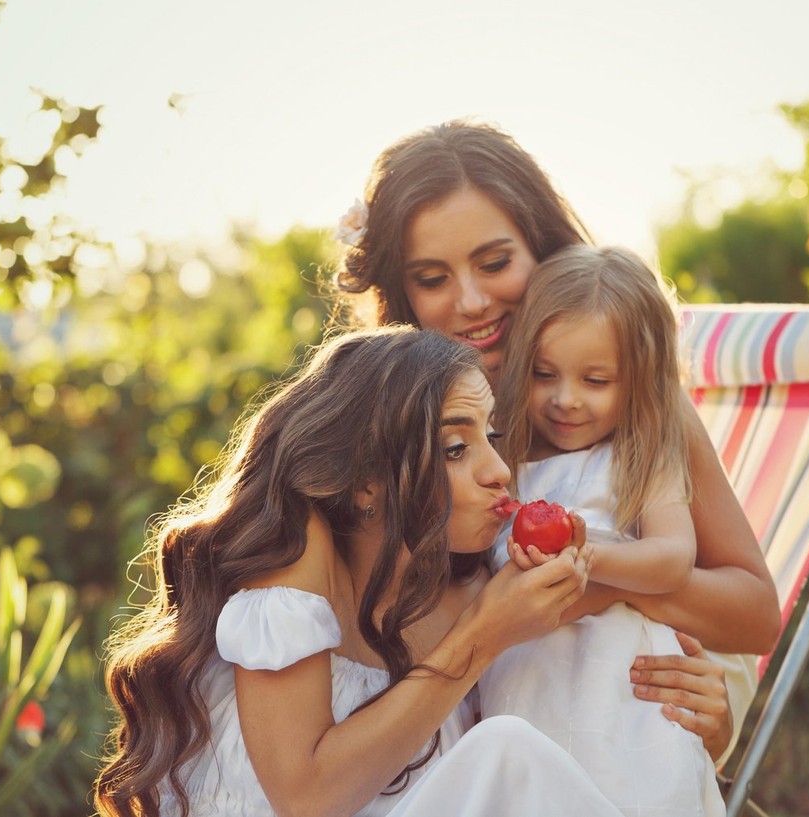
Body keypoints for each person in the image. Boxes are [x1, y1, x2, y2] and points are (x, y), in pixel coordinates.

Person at [335, 120, 782, 764]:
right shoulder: (390, 425)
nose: (471, 301)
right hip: (465, 730)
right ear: (399, 292)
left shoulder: (635, 405)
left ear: (543, 250)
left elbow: (755, 615)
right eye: (432, 278)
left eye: (495, 263)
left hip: (619, 720)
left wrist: (596, 578)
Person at [94, 327, 631, 817]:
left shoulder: (460, 586)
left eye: (490, 437)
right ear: (365, 483)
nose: (499, 471)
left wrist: (713, 710)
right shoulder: (299, 553)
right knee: (505, 752)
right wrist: (482, 639)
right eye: (456, 448)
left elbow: (664, 594)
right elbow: (306, 796)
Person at [478, 244, 723, 816]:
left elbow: (671, 559)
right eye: (545, 374)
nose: (566, 400)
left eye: (596, 380)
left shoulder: (644, 450)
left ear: (640, 380)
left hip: (620, 690)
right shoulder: (501, 454)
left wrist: (587, 559)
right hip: (525, 678)